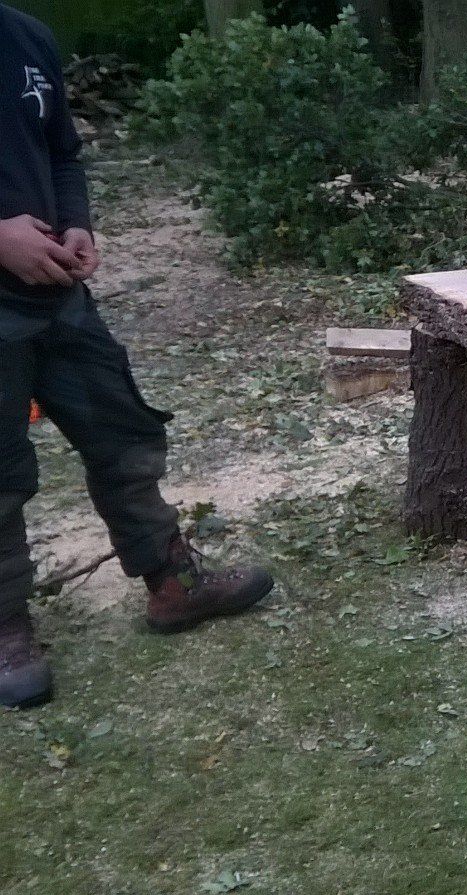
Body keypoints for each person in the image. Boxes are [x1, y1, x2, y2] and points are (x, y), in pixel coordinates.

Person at [1, 4, 274, 709]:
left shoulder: (26, 36)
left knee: (123, 433)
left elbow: (62, 151)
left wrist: (78, 223)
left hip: (58, 296)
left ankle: (170, 581)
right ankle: (5, 627)